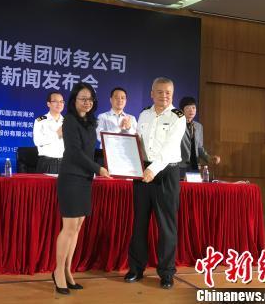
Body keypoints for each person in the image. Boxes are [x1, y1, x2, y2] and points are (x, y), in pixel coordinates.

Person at [125, 77, 186, 289]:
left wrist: (153, 169)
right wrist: (126, 135)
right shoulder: (144, 114)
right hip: (143, 172)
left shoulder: (178, 117)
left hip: (166, 173)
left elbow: (170, 148)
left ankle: (166, 273)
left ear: (172, 94)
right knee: (139, 223)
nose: (164, 96)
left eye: (168, 92)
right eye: (159, 92)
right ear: (152, 94)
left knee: (167, 226)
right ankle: (136, 268)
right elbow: (138, 142)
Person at [53, 83, 112, 295]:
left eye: (90, 99)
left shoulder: (90, 121)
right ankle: (58, 271)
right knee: (69, 227)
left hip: (85, 178)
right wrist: (99, 168)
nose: (87, 102)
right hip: (71, 178)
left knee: (77, 227)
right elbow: (75, 152)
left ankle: (68, 270)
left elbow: (90, 151)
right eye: (83, 99)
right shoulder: (69, 120)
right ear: (74, 100)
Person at [178, 96, 221, 180]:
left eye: (193, 108)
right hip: (179, 166)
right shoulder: (176, 125)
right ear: (182, 110)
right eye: (188, 108)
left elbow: (199, 147)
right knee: (181, 188)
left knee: (194, 188)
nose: (191, 110)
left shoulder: (199, 126)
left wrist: (209, 158)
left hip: (195, 166)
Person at [33, 92, 65, 174]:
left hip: (65, 163)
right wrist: (57, 134)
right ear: (48, 104)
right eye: (55, 101)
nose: (59, 104)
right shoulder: (40, 120)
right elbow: (37, 141)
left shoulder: (67, 121)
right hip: (47, 163)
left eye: (61, 101)